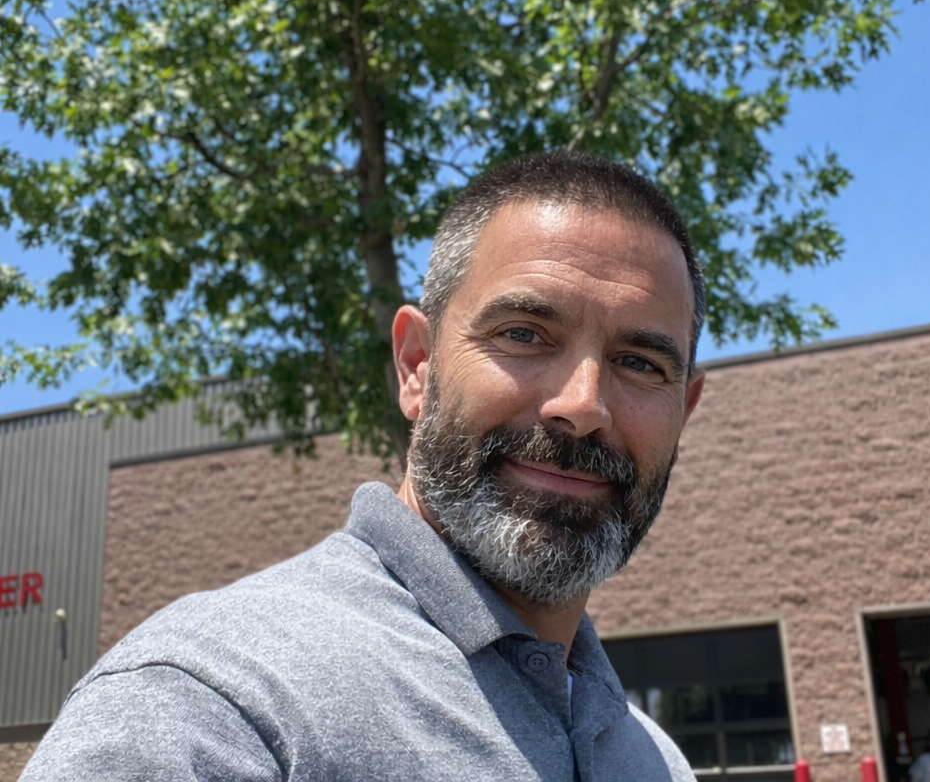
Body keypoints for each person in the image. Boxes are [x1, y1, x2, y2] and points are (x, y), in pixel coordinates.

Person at [22, 151, 707, 781]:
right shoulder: (210, 708)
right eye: (523, 335)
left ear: (686, 408)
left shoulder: (657, 760)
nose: (582, 405)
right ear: (416, 365)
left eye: (639, 364)